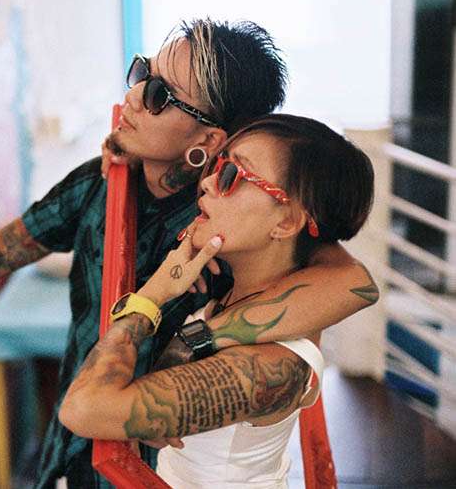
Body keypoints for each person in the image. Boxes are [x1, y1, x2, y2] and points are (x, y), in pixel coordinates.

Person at [0, 18, 378, 488]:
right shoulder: (100, 183)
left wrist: (189, 342)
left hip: (150, 463)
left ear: (208, 139)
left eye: (160, 95)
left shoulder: (227, 229)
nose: (134, 96)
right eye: (143, 73)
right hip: (73, 447)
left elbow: (350, 284)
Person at [60, 113, 375, 488]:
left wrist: (152, 296)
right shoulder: (239, 291)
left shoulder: (268, 368)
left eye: (232, 175)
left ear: (286, 223)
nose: (208, 181)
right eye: (218, 163)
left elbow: (82, 409)